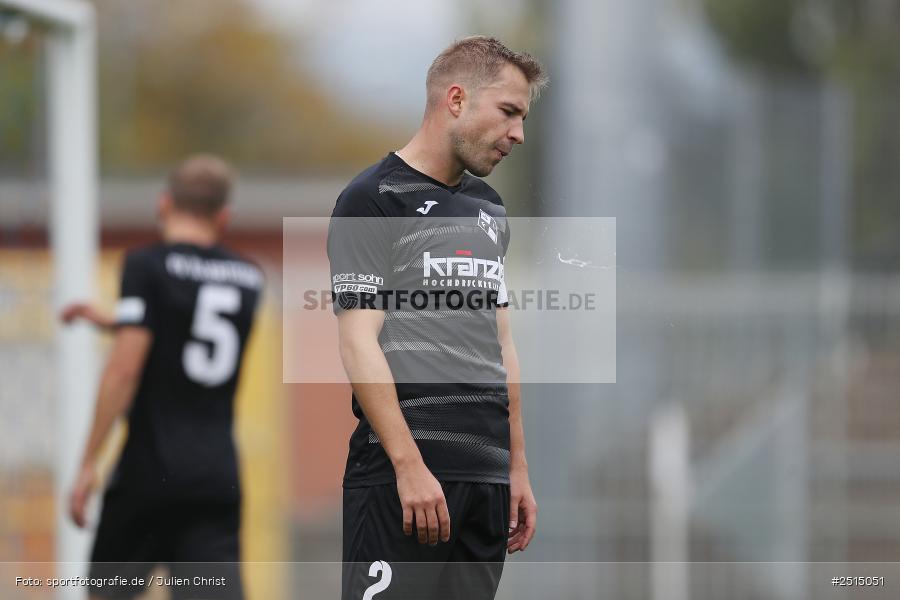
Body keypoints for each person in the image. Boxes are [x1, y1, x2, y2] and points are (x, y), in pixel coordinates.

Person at [327, 36, 547, 599]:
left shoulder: (489, 208)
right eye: (508, 112)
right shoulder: (373, 198)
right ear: (455, 99)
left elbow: (501, 344)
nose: (518, 133)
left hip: (486, 482)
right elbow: (358, 342)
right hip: (406, 480)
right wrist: (408, 465)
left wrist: (516, 468)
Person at [61, 155, 263, 600]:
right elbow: (190, 328)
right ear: (224, 216)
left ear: (164, 204)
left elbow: (126, 368)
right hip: (216, 477)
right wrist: (118, 320)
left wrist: (88, 461)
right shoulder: (249, 277)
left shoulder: (145, 265)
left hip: (148, 472)